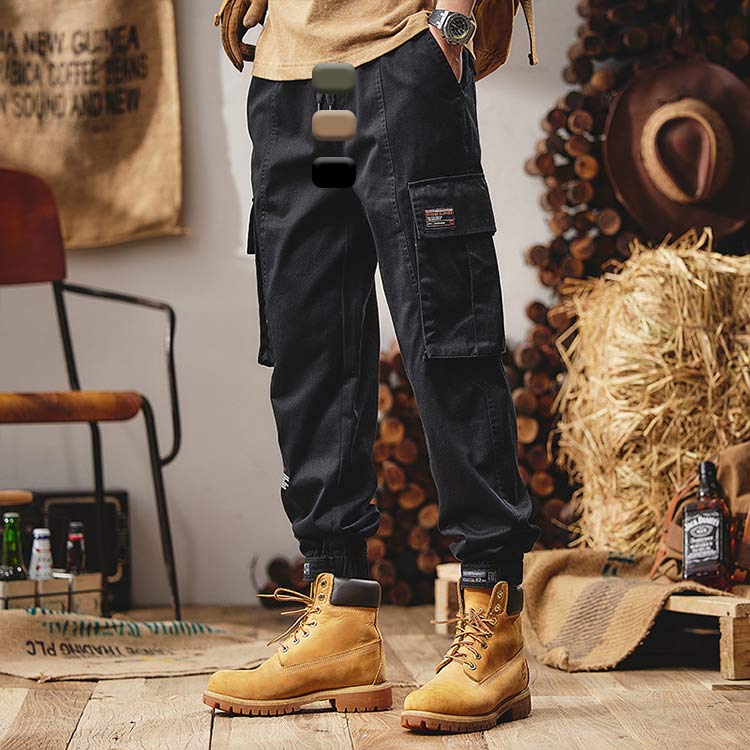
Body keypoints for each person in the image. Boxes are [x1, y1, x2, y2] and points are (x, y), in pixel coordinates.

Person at [204, 0, 539, 734]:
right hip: (303, 80)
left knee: (446, 338)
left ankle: (493, 618)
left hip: (401, 63)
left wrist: (451, 26)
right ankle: (341, 622)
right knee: (311, 345)